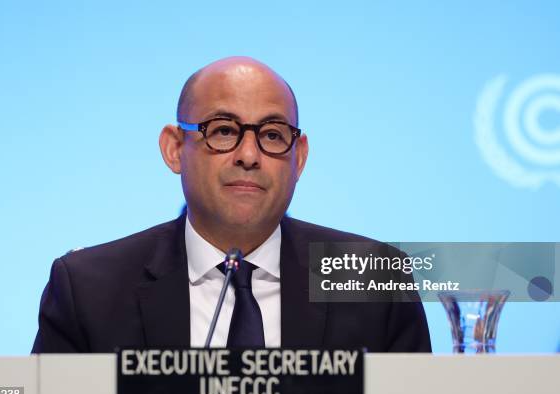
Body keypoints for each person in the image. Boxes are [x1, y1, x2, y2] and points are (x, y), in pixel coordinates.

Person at [32, 56, 431, 353]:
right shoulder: (87, 289)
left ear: (300, 157)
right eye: (223, 131)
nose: (249, 155)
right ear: (174, 149)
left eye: (273, 136)